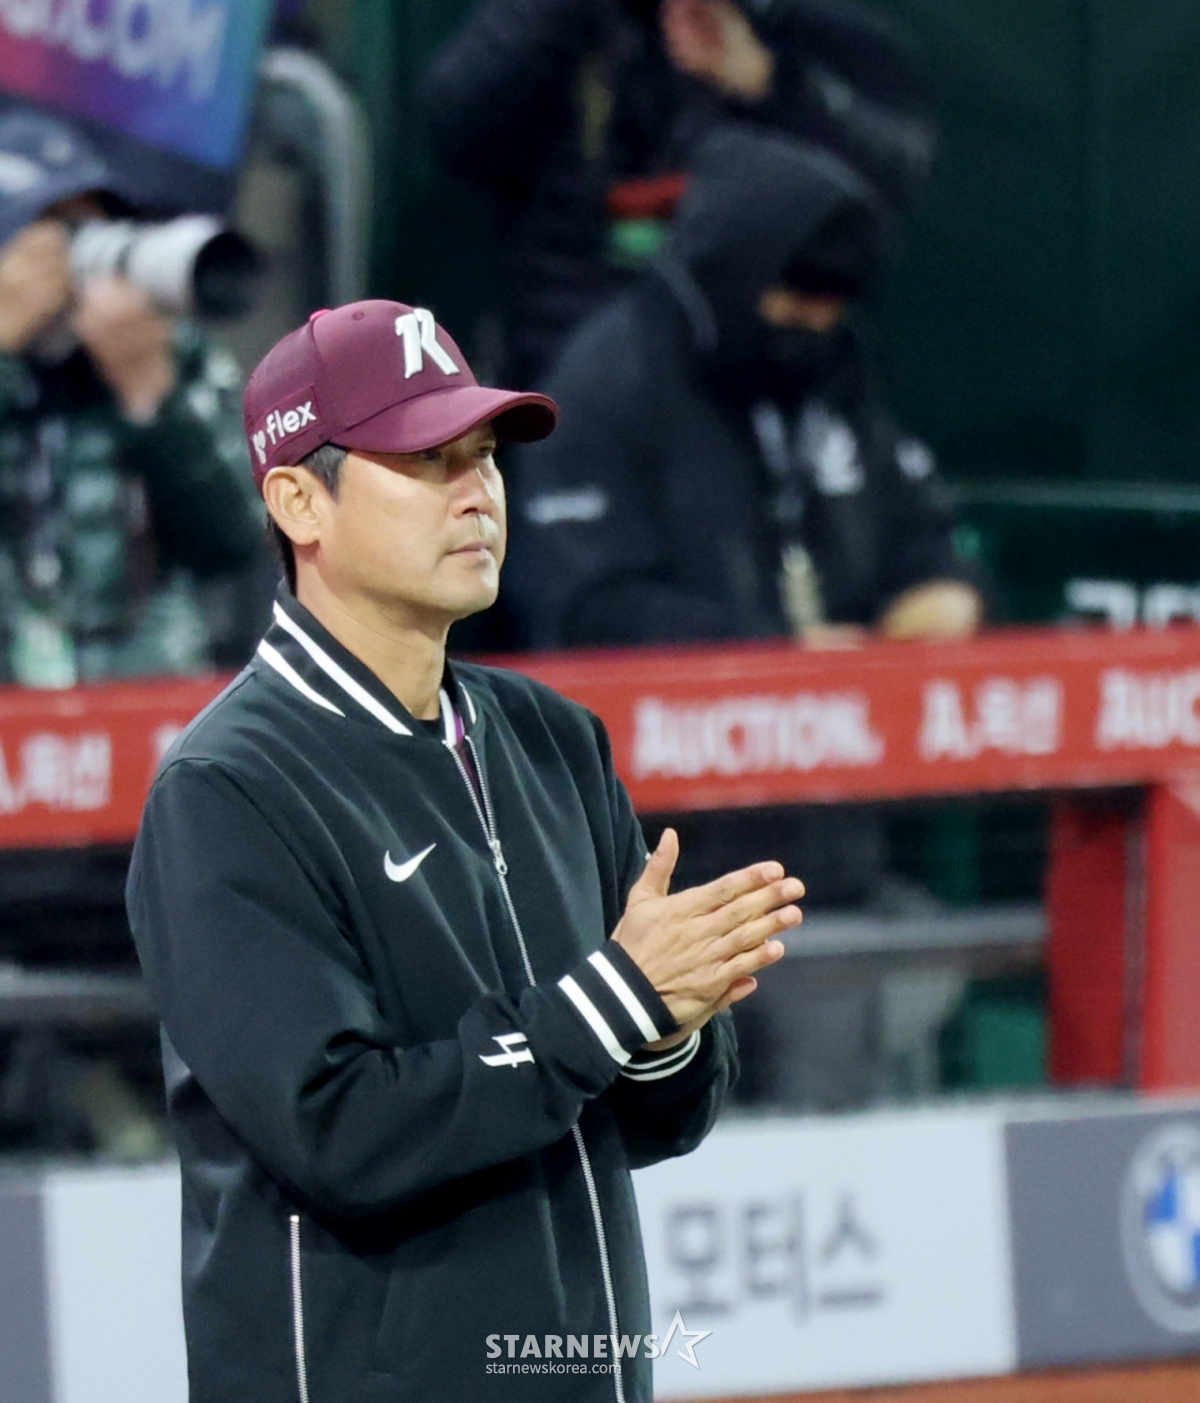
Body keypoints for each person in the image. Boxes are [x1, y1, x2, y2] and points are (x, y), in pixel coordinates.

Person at [125, 299, 804, 1401]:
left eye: (483, 454)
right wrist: (614, 1002)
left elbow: (654, 1116)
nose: (477, 490)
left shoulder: (552, 739)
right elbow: (337, 1128)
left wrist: (668, 1030)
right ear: (299, 500)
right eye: (424, 460)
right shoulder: (227, 787)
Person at [424, 0, 936, 386]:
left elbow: (892, 176)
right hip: (573, 371)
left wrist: (770, 84)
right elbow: (453, 127)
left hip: (761, 380)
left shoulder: (799, 25)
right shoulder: (565, 21)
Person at [0, 111, 261, 686]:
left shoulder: (165, 347)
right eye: (52, 234)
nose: (69, 262)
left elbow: (236, 541)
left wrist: (151, 396)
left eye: (89, 229)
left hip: (139, 696)